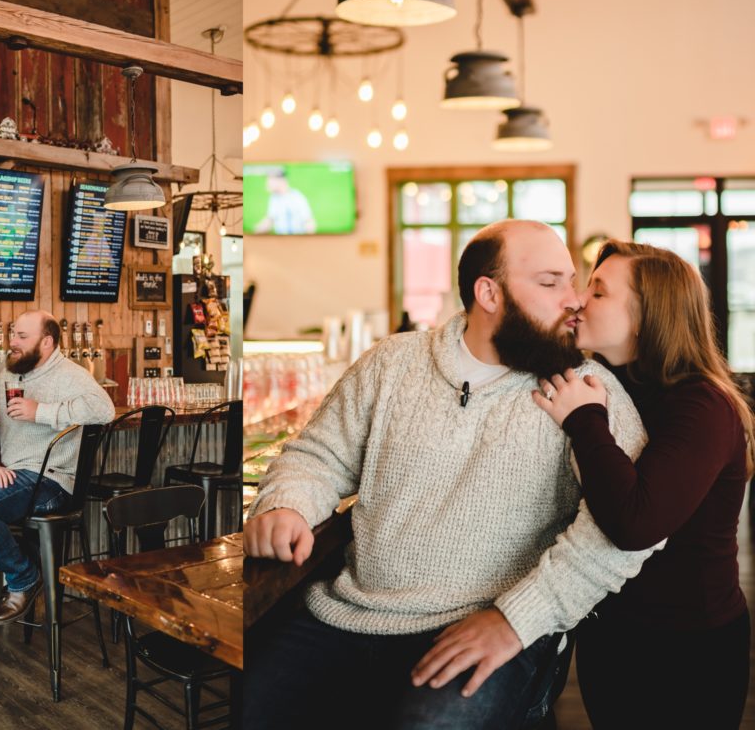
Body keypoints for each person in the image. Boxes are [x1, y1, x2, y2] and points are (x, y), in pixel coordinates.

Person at [243, 220, 657, 729]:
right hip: (347, 613)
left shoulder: (590, 391)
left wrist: (517, 618)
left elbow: (626, 535)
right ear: (489, 292)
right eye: (551, 283)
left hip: (491, 624)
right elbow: (318, 455)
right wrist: (286, 502)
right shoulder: (391, 364)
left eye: (572, 282)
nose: (573, 300)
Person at [533, 241, 752, 729]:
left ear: (646, 317)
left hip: (687, 649)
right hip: (611, 636)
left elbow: (636, 524)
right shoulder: (607, 381)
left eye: (599, 291)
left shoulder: (703, 406)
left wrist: (586, 420)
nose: (578, 300)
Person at [0, 310, 115, 624]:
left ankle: (24, 578)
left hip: (50, 481)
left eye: (21, 337)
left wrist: (41, 411)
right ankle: (22, 571)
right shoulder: (9, 374)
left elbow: (104, 409)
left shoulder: (71, 374)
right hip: (14, 475)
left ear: (46, 342)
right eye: (12, 335)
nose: (12, 343)